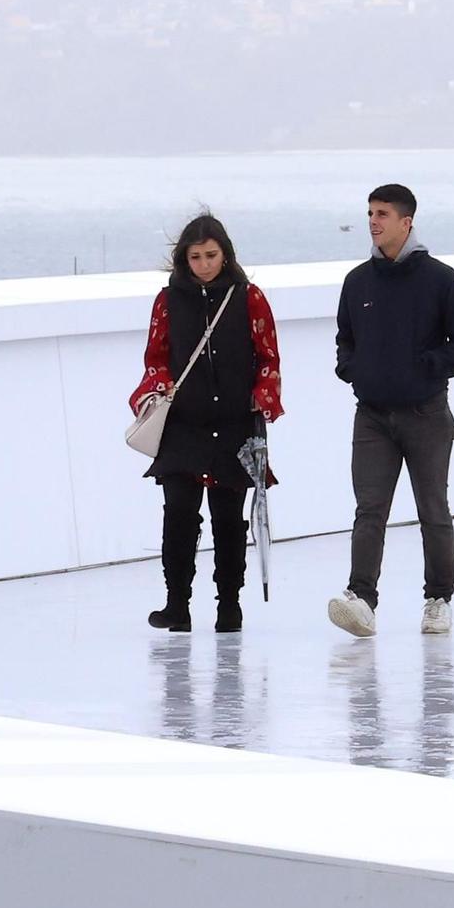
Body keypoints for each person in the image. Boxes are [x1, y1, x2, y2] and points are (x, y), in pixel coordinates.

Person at [327, 184, 454, 638]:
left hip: (426, 415)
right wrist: (352, 369)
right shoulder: (358, 281)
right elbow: (345, 337)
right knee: (368, 510)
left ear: (406, 222)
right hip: (371, 415)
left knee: (432, 509)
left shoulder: (441, 279)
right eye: (370, 213)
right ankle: (361, 600)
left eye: (382, 214)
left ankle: (438, 599)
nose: (373, 221)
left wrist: (429, 367)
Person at [129, 213, 283, 633]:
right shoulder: (168, 300)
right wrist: (157, 387)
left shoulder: (249, 298)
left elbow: (268, 357)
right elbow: (156, 357)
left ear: (226, 255)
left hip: (234, 426)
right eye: (195, 257)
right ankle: (176, 603)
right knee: (178, 514)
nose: (204, 264)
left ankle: (229, 605)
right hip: (183, 426)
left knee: (229, 520)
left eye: (211, 255)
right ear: (184, 259)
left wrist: (262, 399)